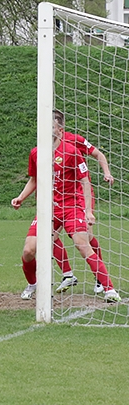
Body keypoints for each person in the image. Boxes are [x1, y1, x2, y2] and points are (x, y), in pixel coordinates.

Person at [11, 111, 120, 303]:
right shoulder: (36, 153)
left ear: (60, 130)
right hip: (48, 208)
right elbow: (34, 179)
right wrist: (20, 198)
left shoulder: (72, 150)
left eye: (51, 127)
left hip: (71, 205)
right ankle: (35, 284)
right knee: (29, 250)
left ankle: (108, 289)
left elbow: (85, 181)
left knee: (82, 243)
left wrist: (88, 211)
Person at [50, 114, 115, 294]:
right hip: (59, 196)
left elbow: (98, 154)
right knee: (49, 236)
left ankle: (100, 280)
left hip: (80, 195)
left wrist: (107, 172)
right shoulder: (44, 145)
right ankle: (67, 274)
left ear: (60, 127)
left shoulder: (74, 140)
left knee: (86, 235)